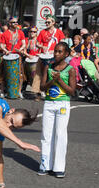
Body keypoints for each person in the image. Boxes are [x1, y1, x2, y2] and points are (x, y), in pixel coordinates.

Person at [39, 42, 76, 178]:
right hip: (49, 103)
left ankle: (59, 167)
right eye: (55, 51)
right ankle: (44, 165)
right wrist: (52, 81)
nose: (56, 54)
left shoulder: (70, 69)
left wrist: (59, 80)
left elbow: (72, 91)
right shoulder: (48, 67)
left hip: (62, 104)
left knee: (60, 135)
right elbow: (42, 87)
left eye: (60, 52)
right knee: (46, 135)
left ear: (66, 54)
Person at [31, 15, 65, 101]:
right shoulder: (42, 32)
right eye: (46, 22)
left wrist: (55, 50)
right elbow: (37, 43)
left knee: (52, 74)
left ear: (53, 22)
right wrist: (42, 46)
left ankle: (52, 92)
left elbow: (62, 44)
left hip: (54, 56)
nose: (46, 23)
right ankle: (38, 93)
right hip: (43, 55)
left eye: (48, 22)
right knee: (39, 75)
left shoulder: (59, 32)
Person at [0, 16, 26, 99]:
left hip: (17, 56)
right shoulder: (5, 33)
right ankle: (2, 92)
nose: (16, 24)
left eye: (16, 22)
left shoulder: (20, 33)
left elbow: (24, 43)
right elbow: (2, 45)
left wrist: (20, 49)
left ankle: (18, 91)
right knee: (5, 74)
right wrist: (5, 50)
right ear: (10, 24)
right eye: (14, 22)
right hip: (8, 56)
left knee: (20, 75)